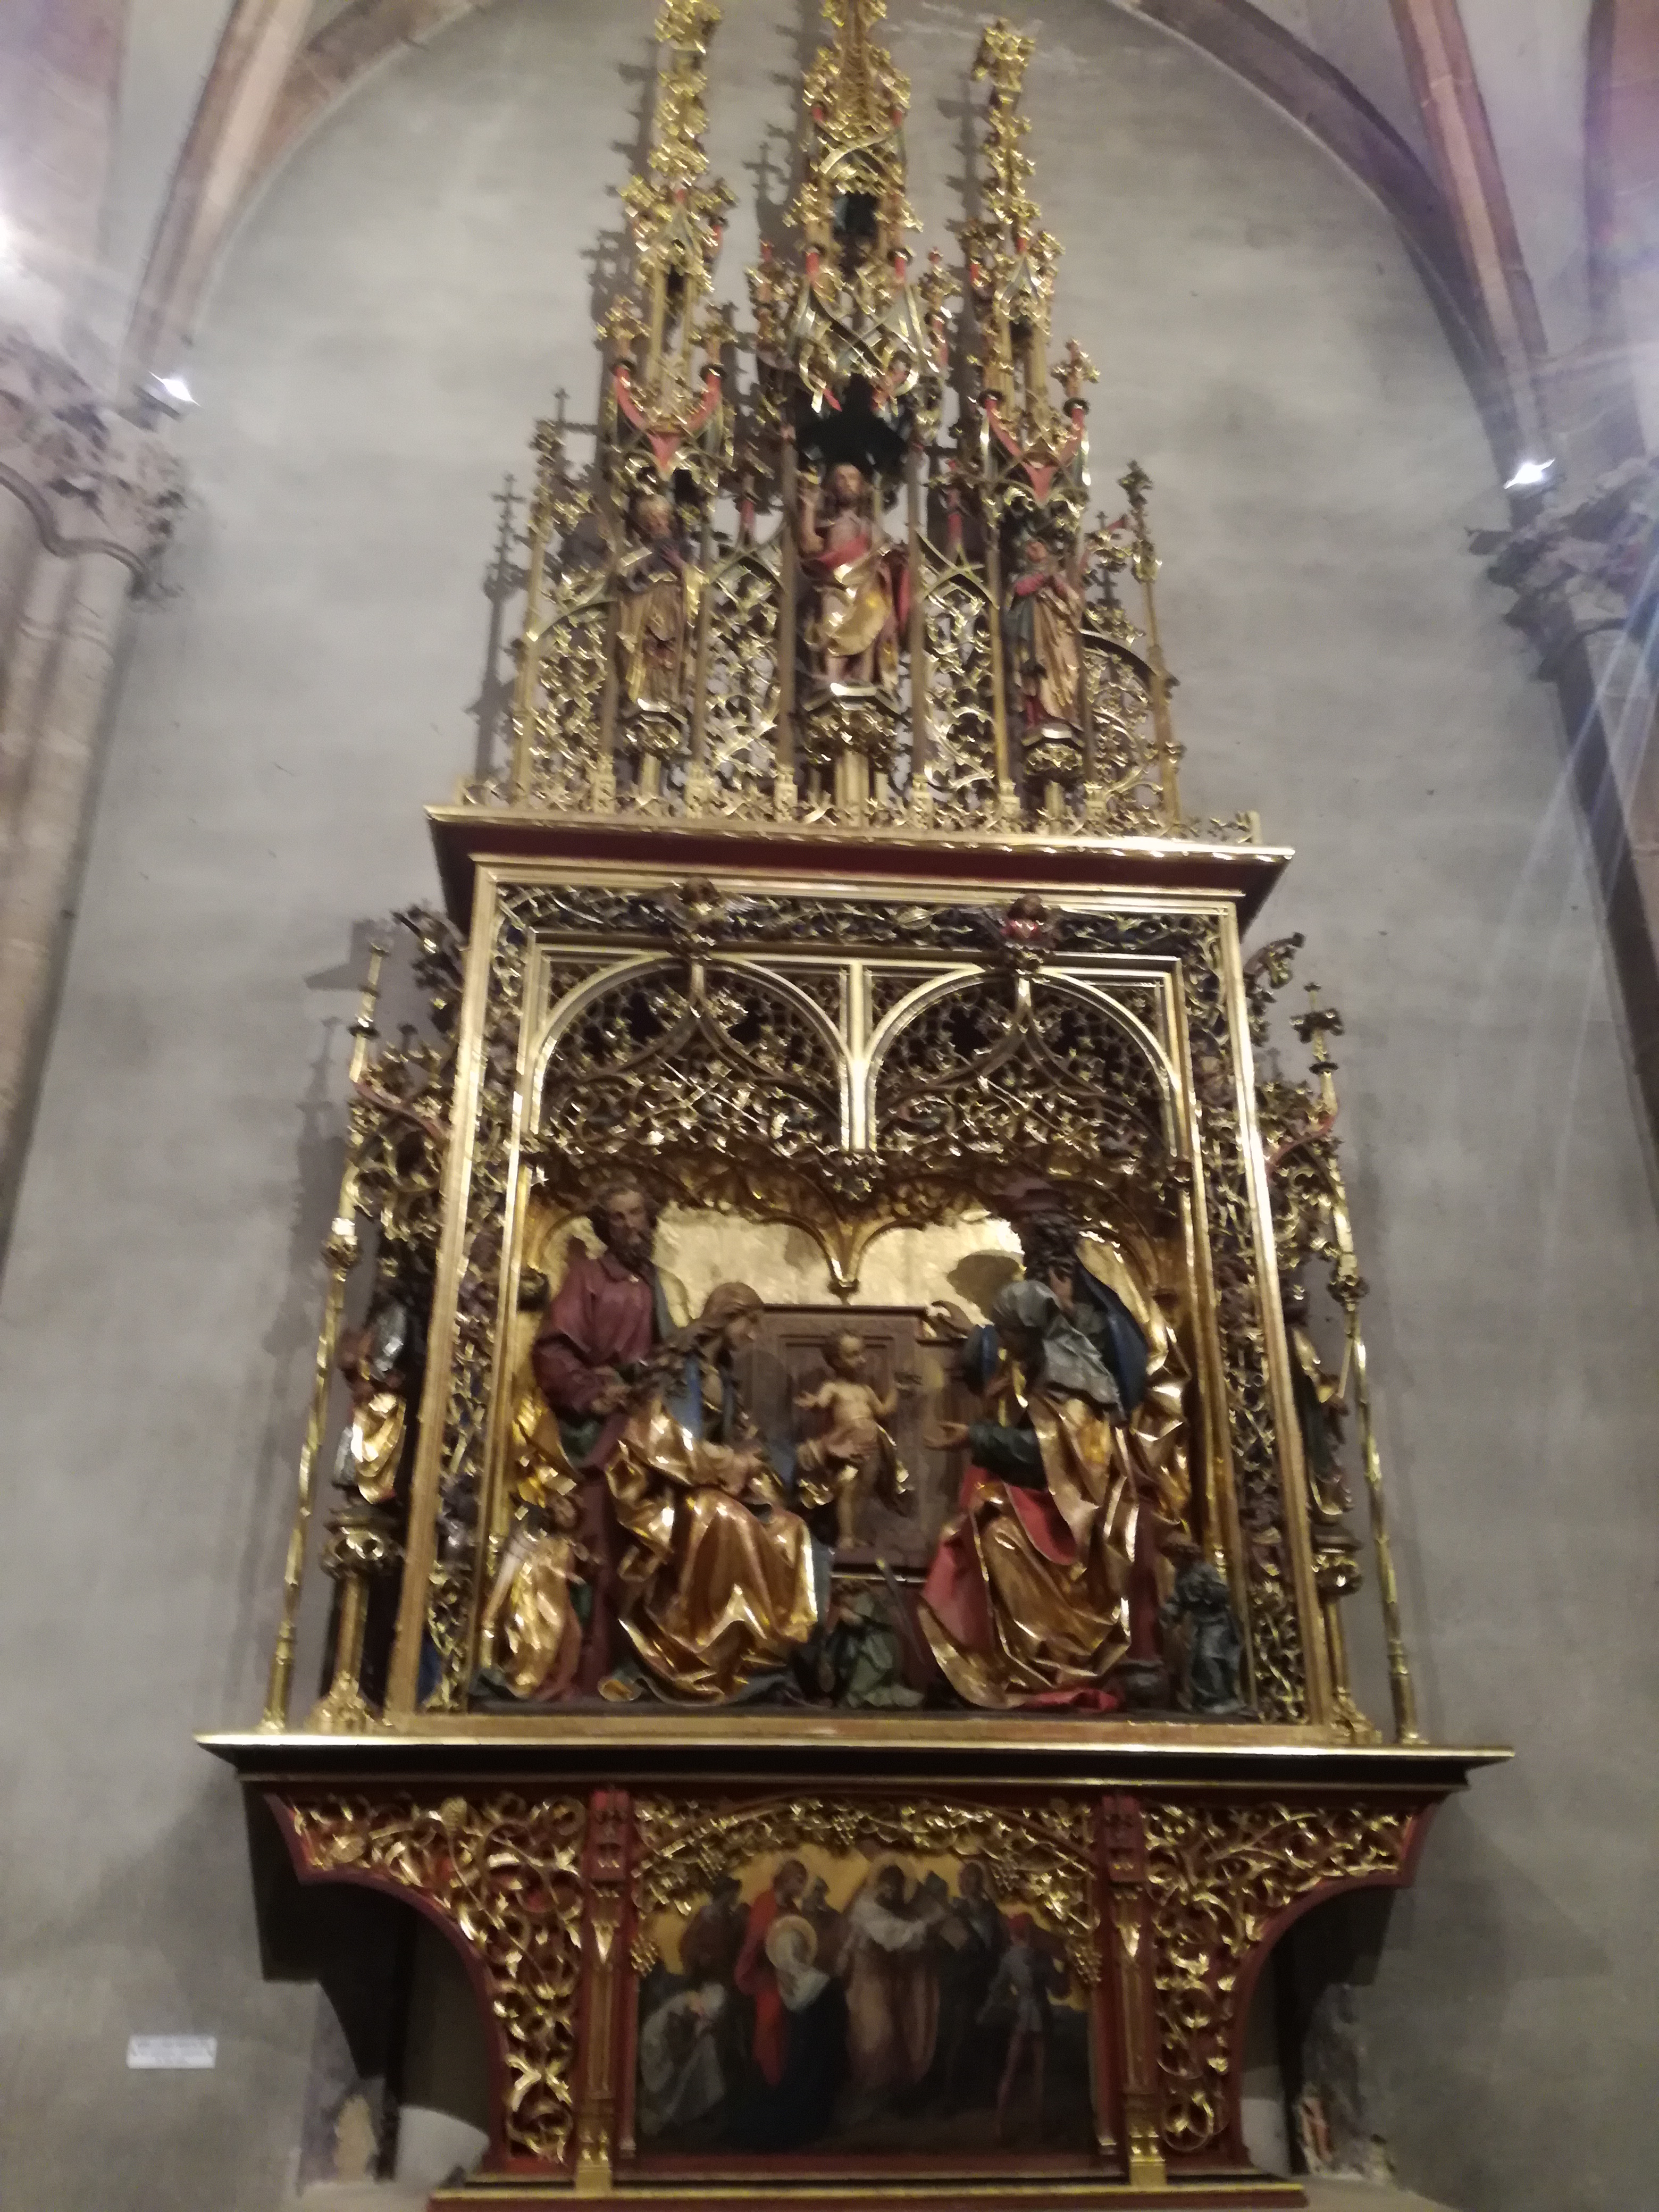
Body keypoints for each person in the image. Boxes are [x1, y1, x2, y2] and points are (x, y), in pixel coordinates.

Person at [918, 1279, 1138, 1708]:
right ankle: (1000, 1663)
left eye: (1007, 1333)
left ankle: (1041, 1661)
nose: (1001, 1343)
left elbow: (1048, 1455)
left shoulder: (1070, 1379)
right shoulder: (1044, 1368)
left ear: (1030, 1332)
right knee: (970, 1527)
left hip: (1077, 1520)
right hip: (1053, 1501)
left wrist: (977, 1437)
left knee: (998, 1537)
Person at [607, 1284, 819, 1701]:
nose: (753, 1335)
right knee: (725, 1518)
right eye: (750, 1323)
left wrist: (755, 1461)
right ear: (726, 1317)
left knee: (790, 1530)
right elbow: (657, 1438)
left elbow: (745, 1441)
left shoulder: (723, 1377)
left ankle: (764, 1656)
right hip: (670, 1491)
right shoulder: (678, 1368)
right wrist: (725, 1462)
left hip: (714, 1484)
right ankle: (698, 1649)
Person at [531, 1178, 687, 1689]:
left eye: (636, 1214)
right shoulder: (589, 1278)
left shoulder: (662, 1286)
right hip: (605, 1431)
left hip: (656, 1429)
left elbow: (680, 1354)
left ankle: (654, 1663)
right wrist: (592, 1392)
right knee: (604, 1548)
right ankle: (595, 1671)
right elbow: (553, 1351)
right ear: (604, 1227)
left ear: (650, 1218)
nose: (629, 1226)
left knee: (663, 1545)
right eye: (617, 1218)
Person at [725, 1916, 849, 2152]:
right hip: (807, 2067)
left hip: (812, 2067)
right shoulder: (809, 1985)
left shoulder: (805, 1986)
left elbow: (836, 2032)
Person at [794, 1331, 911, 1551]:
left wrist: (897, 1391)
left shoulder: (865, 1390)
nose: (862, 1360)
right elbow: (822, 1402)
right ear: (836, 1360)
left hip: (872, 1445)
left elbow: (882, 1411)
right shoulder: (833, 1387)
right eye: (853, 1355)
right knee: (847, 1488)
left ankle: (856, 1533)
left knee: (865, 1490)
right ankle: (845, 1536)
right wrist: (814, 1403)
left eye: (861, 1353)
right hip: (846, 1446)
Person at [798, 462, 904, 694]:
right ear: (832, 486)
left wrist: (895, 559)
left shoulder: (870, 527)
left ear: (863, 487)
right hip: (835, 588)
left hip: (867, 590)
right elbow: (809, 548)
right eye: (841, 478)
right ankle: (831, 685)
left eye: (853, 478)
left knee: (870, 632)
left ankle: (865, 685)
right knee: (832, 636)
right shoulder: (829, 524)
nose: (847, 483)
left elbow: (883, 556)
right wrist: (808, 507)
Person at [842, 1862, 943, 2099]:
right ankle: (871, 2089)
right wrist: (927, 1925)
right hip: (869, 1980)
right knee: (878, 2032)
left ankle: (889, 2093)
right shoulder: (867, 1908)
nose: (891, 1891)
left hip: (890, 1981)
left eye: (896, 1886)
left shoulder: (901, 1912)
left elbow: (908, 1938)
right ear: (878, 1885)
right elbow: (890, 1935)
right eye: (887, 1885)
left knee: (896, 2035)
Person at [614, 488, 700, 722]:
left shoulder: (683, 549)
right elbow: (625, 577)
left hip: (674, 605)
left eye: (662, 517)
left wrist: (679, 565)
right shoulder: (641, 553)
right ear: (645, 526)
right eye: (652, 520)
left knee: (673, 652)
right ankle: (642, 698)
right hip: (647, 607)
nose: (659, 523)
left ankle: (673, 698)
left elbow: (698, 581)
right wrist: (643, 570)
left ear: (669, 520)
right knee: (647, 652)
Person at [979, 1913, 1066, 2140]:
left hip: (1023, 2014)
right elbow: (1058, 1989)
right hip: (1037, 2014)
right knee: (1038, 2072)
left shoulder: (1011, 1958)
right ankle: (1031, 2124)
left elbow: (997, 1989)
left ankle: (1001, 2124)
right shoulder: (1041, 1957)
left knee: (1014, 2070)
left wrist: (1002, 2004)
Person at [733, 1859, 809, 2087]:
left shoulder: (793, 1909)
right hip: (764, 1974)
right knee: (770, 2022)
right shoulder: (765, 1901)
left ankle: (785, 2081)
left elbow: (799, 1940)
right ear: (787, 1879)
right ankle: (767, 2079)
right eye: (799, 1881)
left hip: (788, 1973)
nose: (802, 1887)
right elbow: (756, 1941)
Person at [1003, 531, 1085, 734]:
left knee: (1067, 668)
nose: (1035, 548)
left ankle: (1065, 713)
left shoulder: (1056, 577)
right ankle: (1036, 718)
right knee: (1032, 675)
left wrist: (1055, 584)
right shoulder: (1023, 578)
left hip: (1057, 636)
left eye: (1039, 544)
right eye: (1030, 546)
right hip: (1030, 636)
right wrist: (1043, 579)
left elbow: (1073, 603)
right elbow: (1019, 591)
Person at [636, 1982, 728, 2140]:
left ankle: (709, 2104)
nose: (704, 2019)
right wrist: (698, 2037)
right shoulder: (677, 2015)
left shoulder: (693, 2009)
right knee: (704, 2049)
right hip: (659, 2059)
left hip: (678, 2054)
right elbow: (677, 2057)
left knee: (707, 2046)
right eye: (704, 2015)